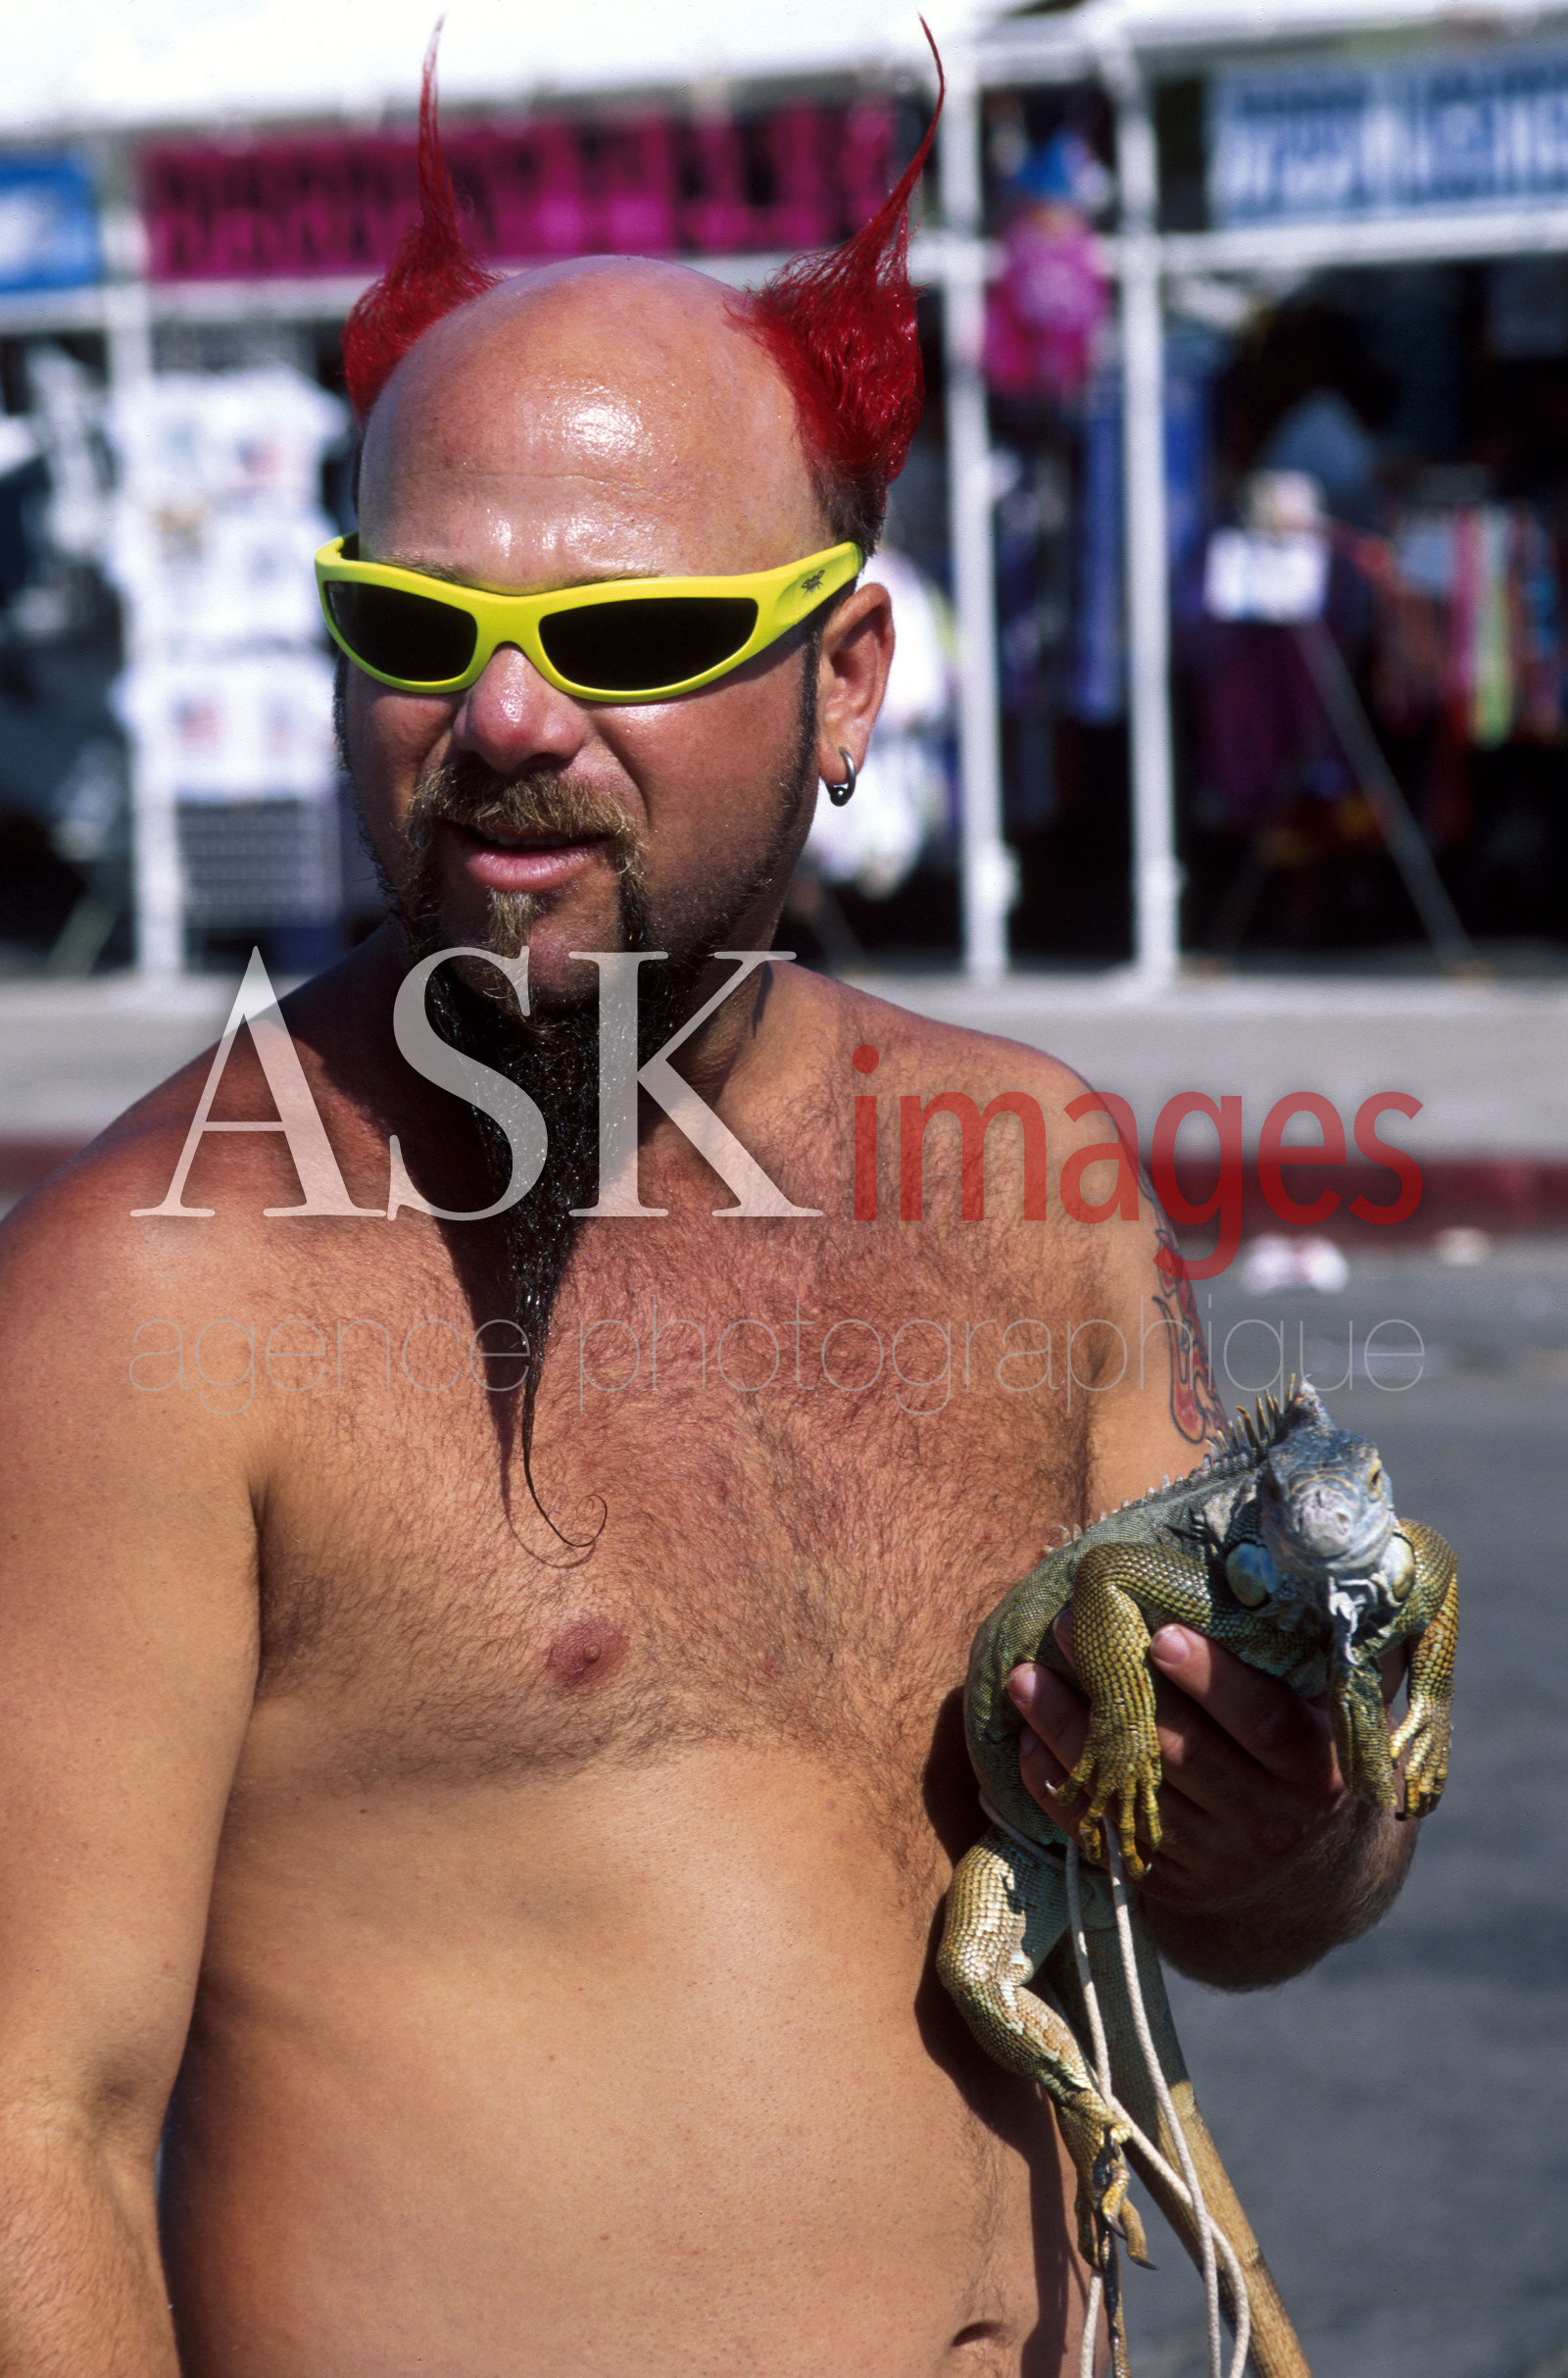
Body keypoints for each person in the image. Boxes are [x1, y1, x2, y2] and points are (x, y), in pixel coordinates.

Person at [0, 49, 1419, 2378]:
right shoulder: (153, 1287)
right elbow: (27, 2134)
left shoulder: (1035, 1177)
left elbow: (1240, 1891)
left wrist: (1298, 1827)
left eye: (634, 639)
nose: (503, 715)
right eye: (414, 622)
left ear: (842, 679)